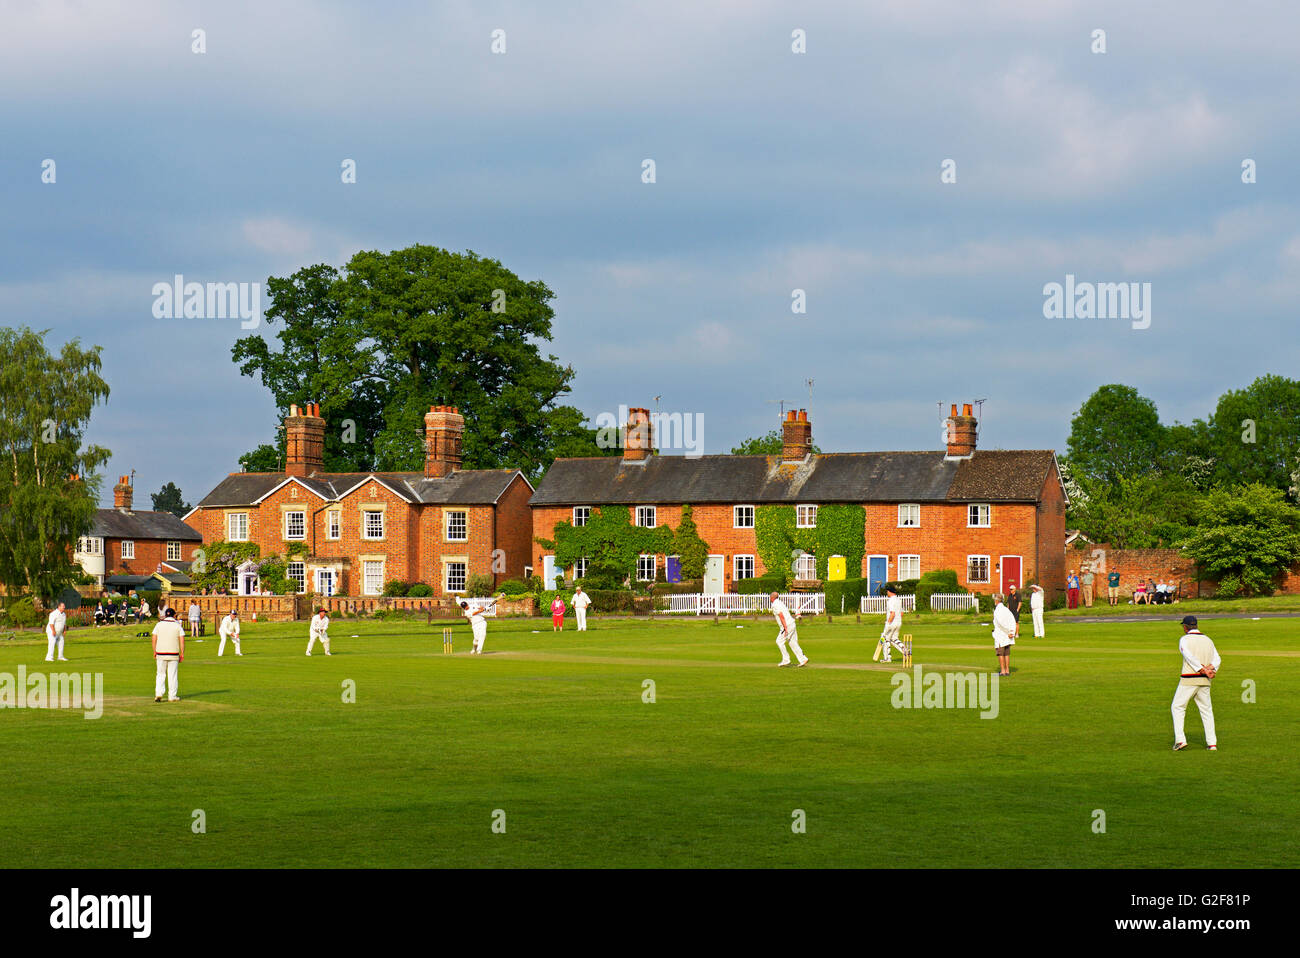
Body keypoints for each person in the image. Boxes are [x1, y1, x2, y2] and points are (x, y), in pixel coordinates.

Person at [1172, 615, 1220, 751]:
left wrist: (1202, 669)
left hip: (1189, 679)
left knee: (1178, 707)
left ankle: (1180, 740)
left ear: (1185, 627)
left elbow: (1188, 656)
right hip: (1205, 681)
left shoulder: (1184, 639)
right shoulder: (1208, 640)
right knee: (1206, 710)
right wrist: (1211, 669)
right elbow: (1217, 659)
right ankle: (1212, 744)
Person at [151, 608, 185, 702]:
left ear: (165, 615)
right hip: (173, 653)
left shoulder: (159, 624)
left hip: (160, 653)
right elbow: (182, 640)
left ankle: (158, 694)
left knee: (160, 674)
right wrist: (182, 653)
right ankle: (172, 696)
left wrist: (154, 651)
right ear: (174, 615)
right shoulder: (177, 625)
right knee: (172, 675)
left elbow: (154, 638)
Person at [770, 592, 808, 667]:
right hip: (792, 623)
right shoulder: (780, 602)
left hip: (787, 625)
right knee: (792, 642)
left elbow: (781, 616)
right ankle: (803, 659)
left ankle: (786, 660)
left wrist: (785, 628)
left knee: (779, 641)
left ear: (772, 598)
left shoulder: (774, 605)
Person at [877, 587, 906, 663]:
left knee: (885, 639)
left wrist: (888, 623)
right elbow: (901, 613)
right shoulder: (898, 600)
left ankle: (887, 658)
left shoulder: (890, 601)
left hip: (891, 623)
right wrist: (897, 619)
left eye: (887, 591)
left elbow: (892, 613)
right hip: (898, 622)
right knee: (894, 639)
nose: (887, 593)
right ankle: (905, 650)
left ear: (890, 592)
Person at [991, 593, 1017, 676]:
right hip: (1007, 635)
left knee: (1000, 653)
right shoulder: (1006, 610)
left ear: (996, 601)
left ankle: (1003, 671)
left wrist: (1009, 632)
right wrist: (1012, 632)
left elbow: (1001, 623)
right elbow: (1012, 621)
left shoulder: (997, 611)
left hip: (1001, 635)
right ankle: (1007, 670)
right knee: (1006, 653)